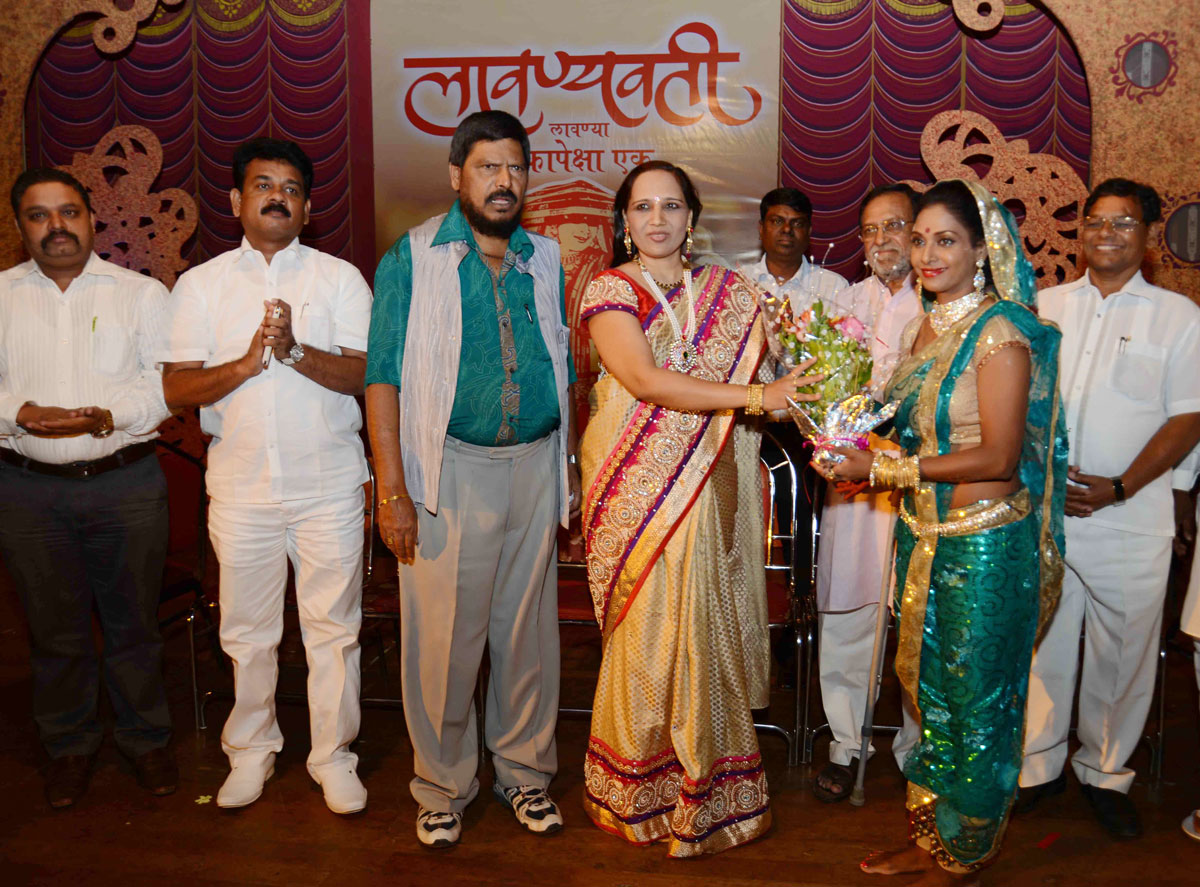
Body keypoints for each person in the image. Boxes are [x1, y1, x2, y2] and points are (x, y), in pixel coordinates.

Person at [578, 159, 820, 856]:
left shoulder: (727, 292)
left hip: (712, 484)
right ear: (624, 221)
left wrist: (794, 356)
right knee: (651, 629)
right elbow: (647, 379)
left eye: (671, 206)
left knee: (703, 622)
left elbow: (777, 375)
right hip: (638, 488)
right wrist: (755, 400)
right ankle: (640, 788)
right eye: (643, 207)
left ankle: (710, 787)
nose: (657, 219)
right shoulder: (608, 290)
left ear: (692, 218)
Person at [829, 179, 1067, 883]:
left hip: (985, 542)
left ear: (982, 248)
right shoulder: (921, 328)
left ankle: (967, 845)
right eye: (920, 238)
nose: (926, 253)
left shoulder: (1000, 331)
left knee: (979, 698)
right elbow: (902, 427)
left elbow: (997, 455)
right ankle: (929, 830)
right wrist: (841, 428)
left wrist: (889, 473)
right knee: (927, 692)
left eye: (945, 240)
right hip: (923, 534)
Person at [365, 110, 578, 849]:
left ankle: (524, 774)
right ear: (456, 175)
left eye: (515, 167)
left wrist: (569, 467)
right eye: (487, 167)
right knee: (444, 640)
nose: (504, 181)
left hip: (534, 465)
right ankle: (441, 786)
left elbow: (564, 364)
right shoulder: (413, 257)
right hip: (447, 470)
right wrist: (392, 489)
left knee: (528, 637)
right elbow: (383, 378)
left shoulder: (544, 257)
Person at [160, 138, 372, 814]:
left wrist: (294, 350)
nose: (277, 195)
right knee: (247, 632)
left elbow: (367, 375)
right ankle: (250, 751)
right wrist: (249, 362)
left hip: (329, 485)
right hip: (242, 490)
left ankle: (332, 756)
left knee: (333, 632)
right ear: (236, 201)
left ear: (307, 208)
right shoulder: (201, 286)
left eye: (290, 187)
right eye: (263, 184)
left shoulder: (339, 279)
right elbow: (178, 385)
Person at [1017, 178, 1200, 839]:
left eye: (1123, 223)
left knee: (1123, 652)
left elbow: (1188, 418)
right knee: (1044, 641)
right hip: (1049, 512)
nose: (1106, 233)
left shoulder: (1178, 317)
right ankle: (1038, 766)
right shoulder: (1045, 307)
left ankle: (1105, 771)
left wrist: (1121, 485)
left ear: (1149, 235)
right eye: (1095, 221)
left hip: (1131, 512)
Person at [0, 168, 176, 808]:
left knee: (133, 626)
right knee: (55, 633)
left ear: (91, 220)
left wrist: (108, 417)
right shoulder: (1, 295)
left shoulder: (141, 294)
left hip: (123, 484)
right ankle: (69, 747)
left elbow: (164, 386)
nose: (56, 227)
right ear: (21, 227)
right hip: (26, 492)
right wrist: (21, 414)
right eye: (39, 216)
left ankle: (146, 740)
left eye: (68, 212)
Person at [810, 183, 923, 802]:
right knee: (848, 613)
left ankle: (914, 746)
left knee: (914, 616)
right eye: (871, 231)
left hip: (915, 483)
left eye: (894, 227)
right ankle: (846, 742)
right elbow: (816, 386)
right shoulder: (841, 303)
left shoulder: (942, 307)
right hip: (853, 484)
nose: (881, 241)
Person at [739, 186, 847, 316]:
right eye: (777, 221)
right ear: (761, 229)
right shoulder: (740, 282)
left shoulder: (833, 287)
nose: (786, 229)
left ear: (809, 232)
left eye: (797, 223)